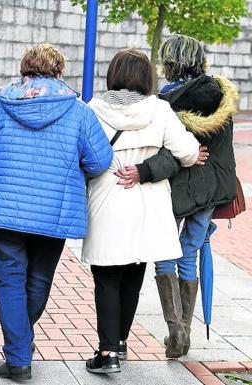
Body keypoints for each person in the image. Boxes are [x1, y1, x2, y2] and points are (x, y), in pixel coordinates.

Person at [0, 43, 113, 381]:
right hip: (52, 213)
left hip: (0, 209)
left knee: (9, 279)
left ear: (24, 68)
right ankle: (20, 348)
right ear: (59, 72)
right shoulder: (79, 111)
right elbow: (101, 161)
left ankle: (18, 356)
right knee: (39, 279)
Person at [114, 35, 239, 358]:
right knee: (190, 251)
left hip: (176, 190)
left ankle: (177, 331)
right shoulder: (222, 96)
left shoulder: (168, 102)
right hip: (210, 192)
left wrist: (143, 171)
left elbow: (169, 153)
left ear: (171, 63)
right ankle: (184, 331)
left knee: (165, 252)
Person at [81, 49, 200, 374]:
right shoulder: (160, 110)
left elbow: (83, 158)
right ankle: (119, 343)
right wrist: (148, 165)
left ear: (114, 74)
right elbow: (188, 153)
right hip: (148, 206)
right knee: (133, 277)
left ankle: (107, 354)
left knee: (106, 279)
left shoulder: (92, 109)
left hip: (107, 199)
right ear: (147, 77)